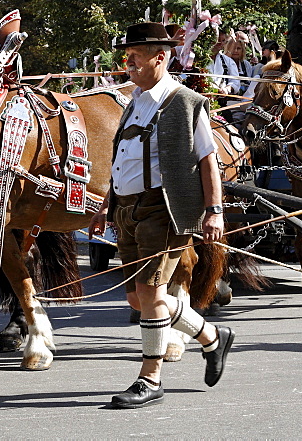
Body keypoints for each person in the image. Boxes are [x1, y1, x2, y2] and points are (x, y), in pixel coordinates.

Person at [89, 21, 234, 409]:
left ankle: (149, 377)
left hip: (162, 210)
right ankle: (212, 338)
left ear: (160, 57)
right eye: (128, 55)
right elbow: (123, 159)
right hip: (126, 210)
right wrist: (106, 205)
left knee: (152, 295)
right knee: (138, 300)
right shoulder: (133, 101)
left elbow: (208, 162)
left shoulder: (185, 102)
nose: (128, 61)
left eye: (135, 55)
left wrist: (214, 213)